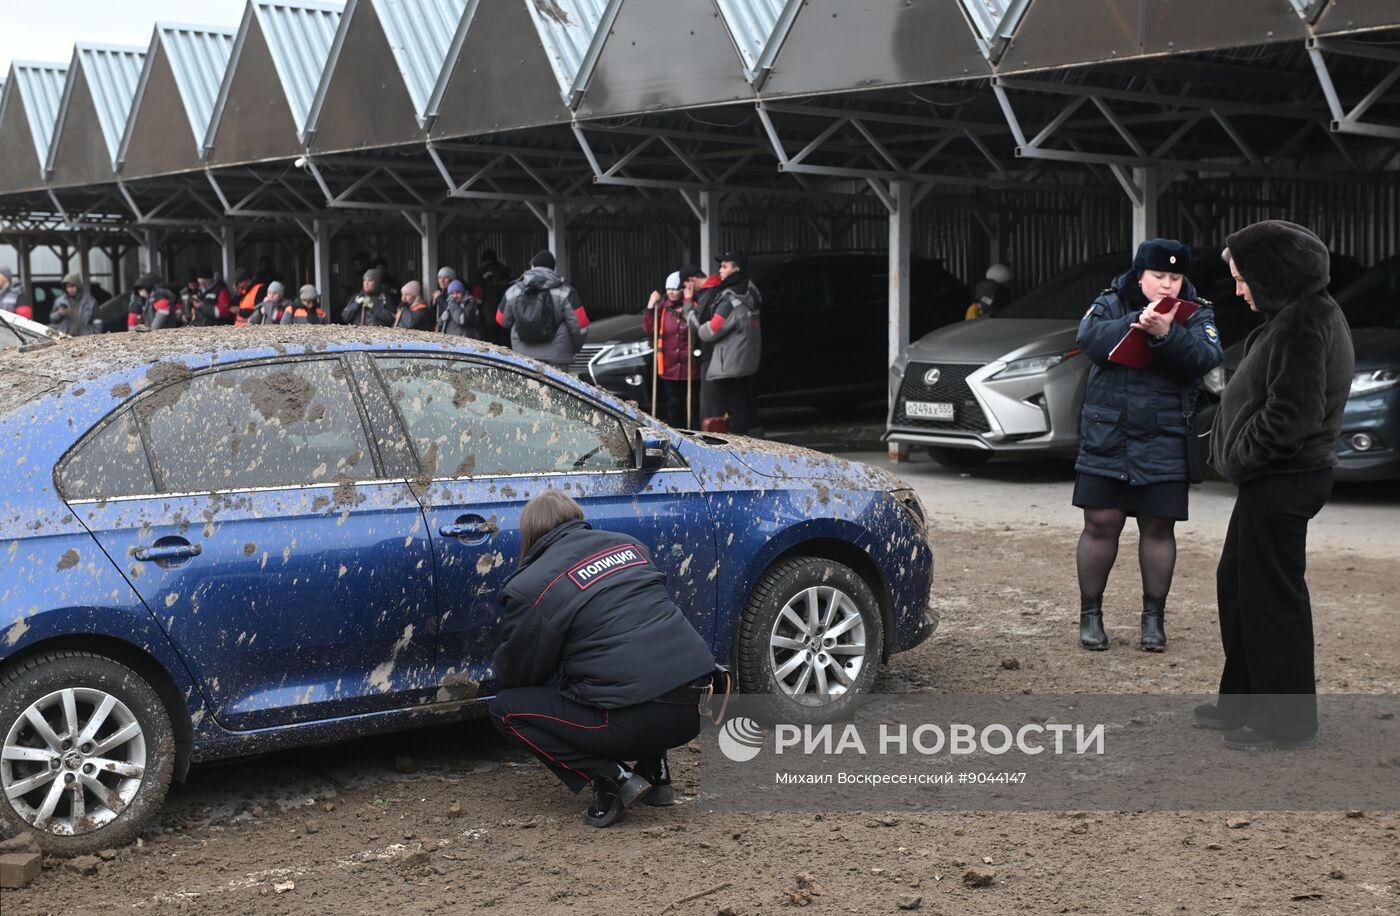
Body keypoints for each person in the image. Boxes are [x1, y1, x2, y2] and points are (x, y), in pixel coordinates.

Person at [1197, 221, 1354, 752]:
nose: (1238, 289)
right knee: (1239, 585)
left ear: (1272, 274)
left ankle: (1284, 724)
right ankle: (1239, 701)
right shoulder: (1295, 315)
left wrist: (1240, 458)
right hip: (1273, 481)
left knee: (1272, 601)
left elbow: (1293, 415)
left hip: (1283, 480)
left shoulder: (1304, 322)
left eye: (1243, 277)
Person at [487, 490, 717, 827]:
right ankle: (657, 772)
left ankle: (612, 778)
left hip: (635, 722)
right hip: (699, 709)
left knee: (506, 710)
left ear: (530, 535)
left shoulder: (531, 585)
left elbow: (518, 673)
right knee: (635, 655)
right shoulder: (629, 546)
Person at [1073, 239, 1223, 652]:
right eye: (1159, 276)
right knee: (1101, 523)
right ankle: (1091, 616)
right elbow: (1088, 340)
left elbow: (1205, 358)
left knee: (1158, 526)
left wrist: (1167, 334)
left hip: (1165, 434)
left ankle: (1153, 621)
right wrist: (1134, 323)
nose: (1168, 285)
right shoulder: (1110, 302)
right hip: (1109, 432)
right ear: (1139, 275)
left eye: (1175, 277)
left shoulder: (1197, 311)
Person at [685, 251, 762, 435]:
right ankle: (755, 442)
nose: (719, 270)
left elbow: (711, 330)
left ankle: (740, 447)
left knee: (735, 410)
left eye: (724, 266)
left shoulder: (730, 299)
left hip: (730, 363)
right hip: (748, 360)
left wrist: (693, 317)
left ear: (736, 269)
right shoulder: (752, 291)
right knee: (746, 405)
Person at [498, 250, 588, 370]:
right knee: (555, 389)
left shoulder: (513, 290)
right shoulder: (566, 292)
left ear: (532, 267)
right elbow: (581, 326)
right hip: (557, 359)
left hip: (523, 359)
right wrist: (574, 348)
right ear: (552, 268)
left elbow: (501, 319)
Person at [642, 271, 701, 427]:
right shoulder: (661, 308)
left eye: (674, 289)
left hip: (691, 367)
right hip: (669, 367)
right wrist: (650, 305)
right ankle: (677, 436)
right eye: (668, 289)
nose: (671, 292)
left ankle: (695, 436)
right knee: (674, 405)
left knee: (693, 405)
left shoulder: (692, 306)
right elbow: (649, 330)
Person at [471, 249, 513, 348]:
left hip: (487, 316)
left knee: (490, 346)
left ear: (483, 260)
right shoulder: (506, 271)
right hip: (505, 314)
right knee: (505, 345)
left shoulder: (480, 274)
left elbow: (477, 298)